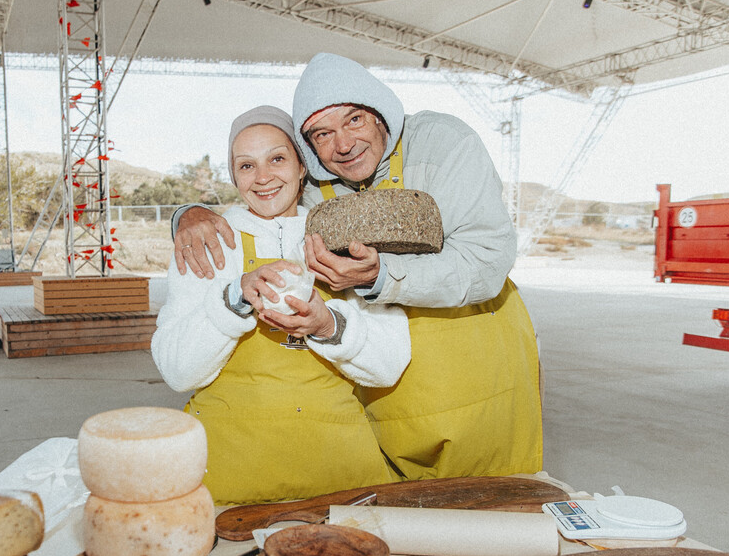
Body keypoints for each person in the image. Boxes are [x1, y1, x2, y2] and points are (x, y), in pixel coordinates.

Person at [172, 53, 542, 482]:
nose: (342, 145)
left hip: (475, 360)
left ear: (380, 113)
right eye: (322, 134)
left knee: (493, 506)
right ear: (308, 151)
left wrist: (380, 277)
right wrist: (189, 213)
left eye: (354, 121)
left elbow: (486, 259)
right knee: (403, 521)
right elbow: (268, 200)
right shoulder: (321, 185)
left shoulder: (443, 143)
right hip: (390, 389)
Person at [151, 105, 410, 505]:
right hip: (227, 481)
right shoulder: (211, 243)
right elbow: (177, 370)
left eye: (277, 158)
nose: (264, 177)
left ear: (302, 166)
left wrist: (329, 325)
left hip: (341, 479)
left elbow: (390, 364)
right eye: (246, 166)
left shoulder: (346, 236)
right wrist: (234, 298)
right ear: (234, 175)